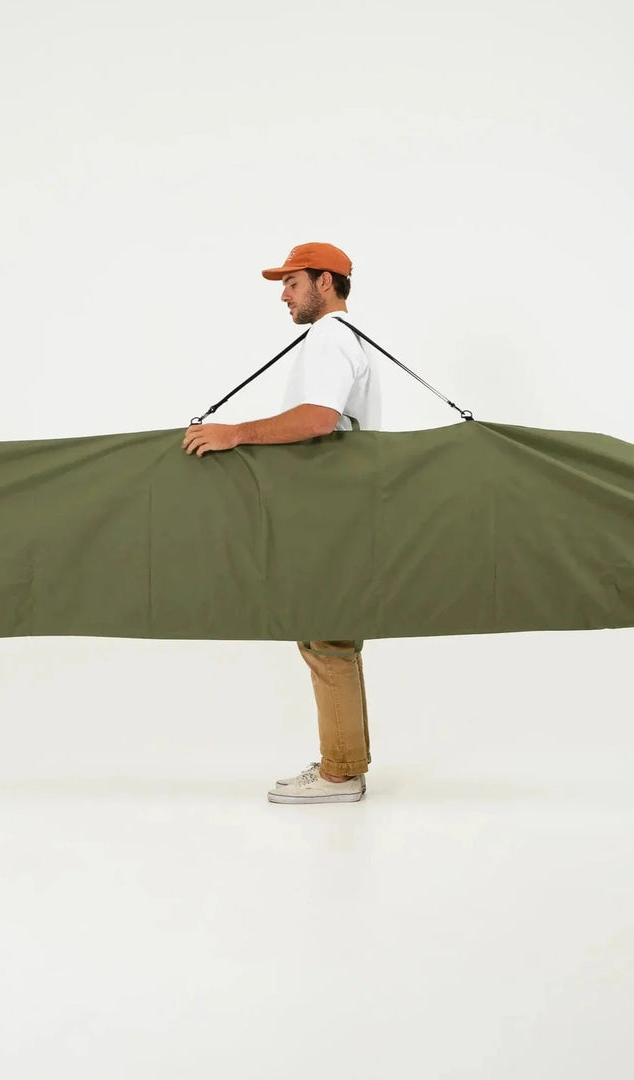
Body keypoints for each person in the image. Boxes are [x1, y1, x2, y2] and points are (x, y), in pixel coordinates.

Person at [181, 242, 382, 804]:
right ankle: (344, 763)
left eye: (293, 283)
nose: (284, 295)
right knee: (330, 635)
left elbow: (318, 418)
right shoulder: (343, 339)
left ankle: (340, 775)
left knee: (326, 636)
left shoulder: (330, 338)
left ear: (325, 281)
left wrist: (235, 433)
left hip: (331, 510)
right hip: (338, 506)